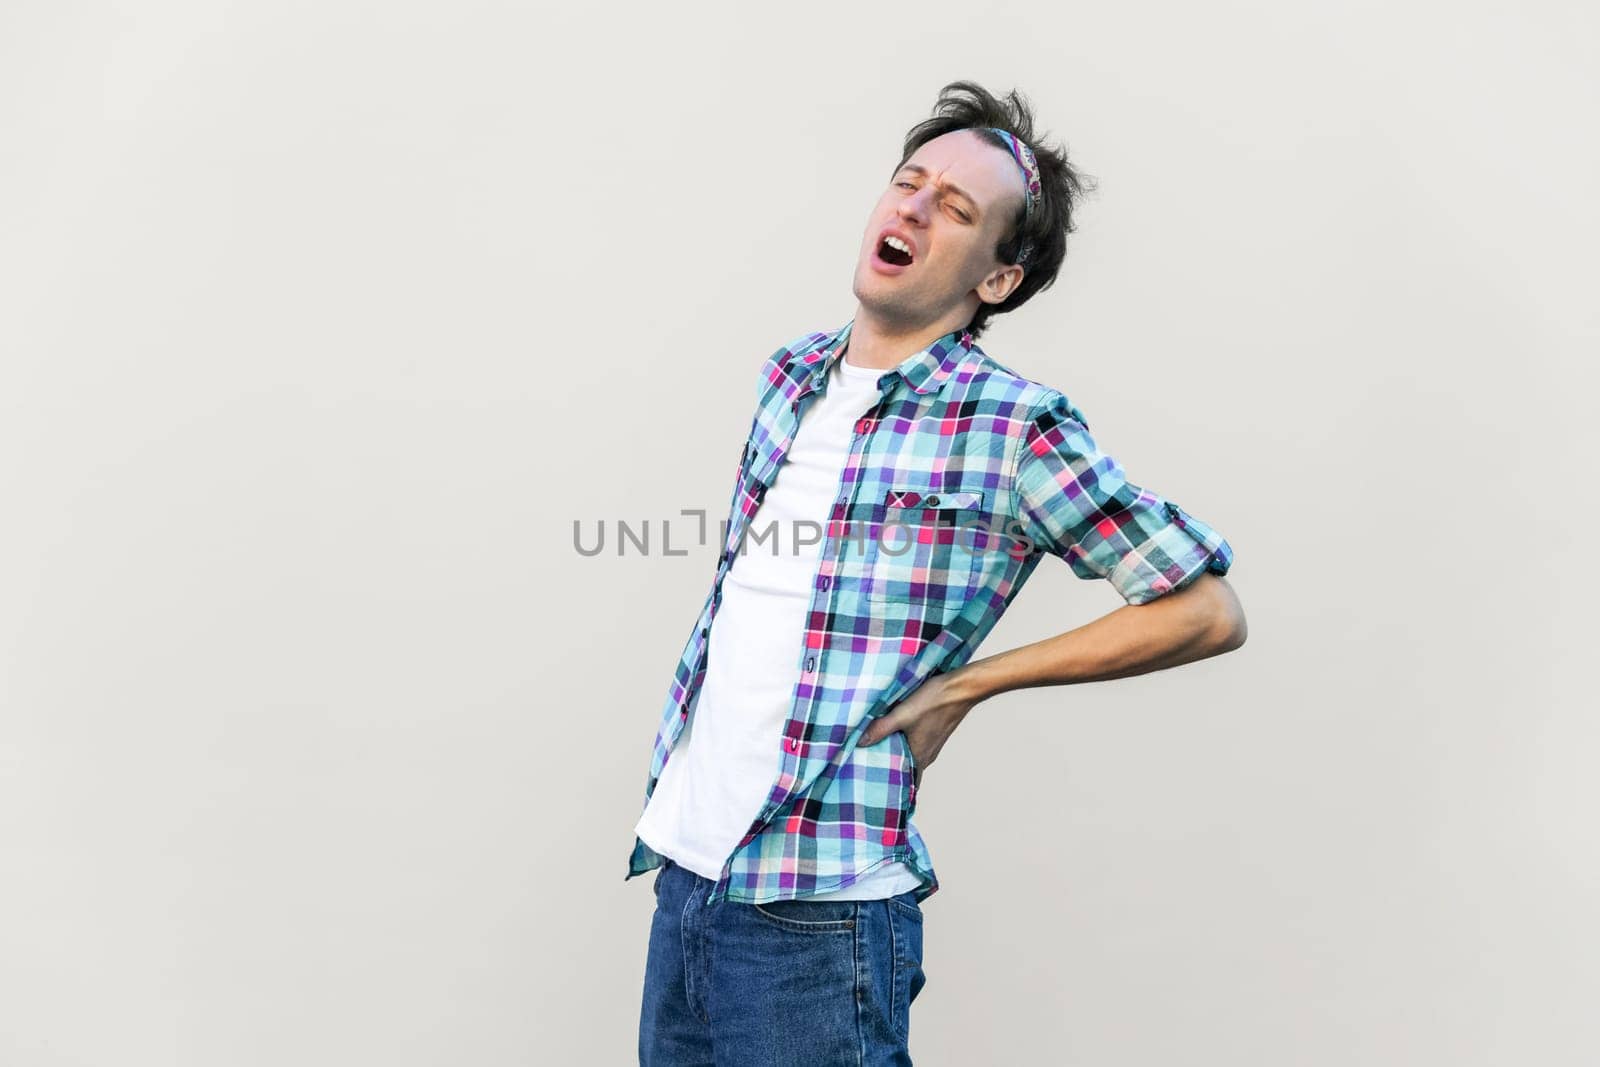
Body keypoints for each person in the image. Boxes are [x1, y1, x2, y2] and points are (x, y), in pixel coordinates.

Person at [626, 80, 1248, 1066]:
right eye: (908, 184)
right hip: (688, 872)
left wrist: (966, 682)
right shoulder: (791, 377)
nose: (912, 207)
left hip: (820, 913)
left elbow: (1203, 609)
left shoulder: (1011, 425)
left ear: (996, 279)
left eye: (954, 208)